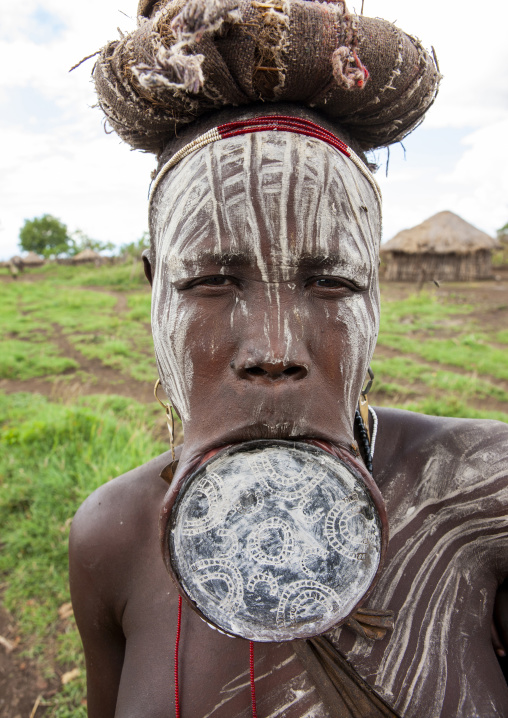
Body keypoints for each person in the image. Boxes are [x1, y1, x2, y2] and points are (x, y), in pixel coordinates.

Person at [69, 2, 508, 716]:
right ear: (154, 287)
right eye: (211, 281)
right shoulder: (107, 540)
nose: (274, 351)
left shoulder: (483, 498)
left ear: (376, 288)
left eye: (331, 282)